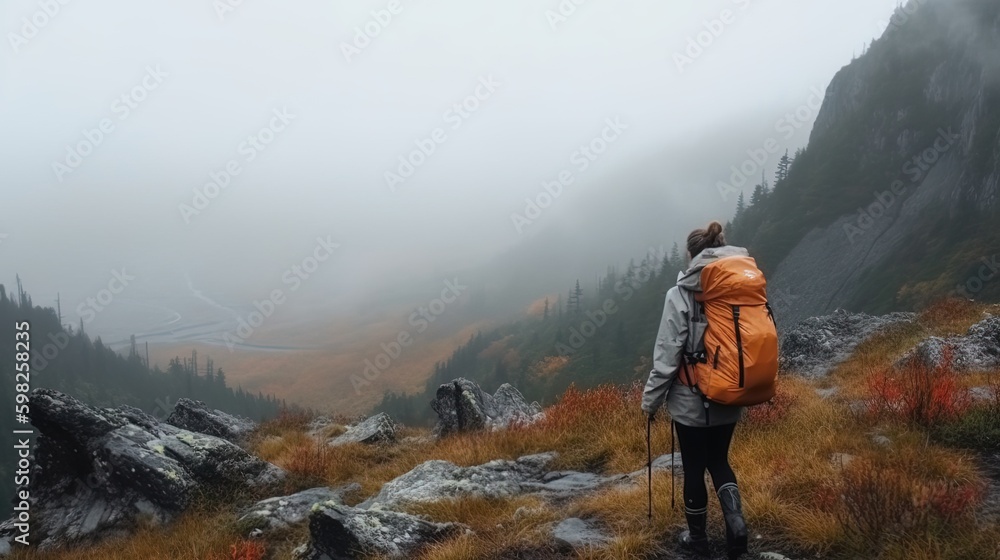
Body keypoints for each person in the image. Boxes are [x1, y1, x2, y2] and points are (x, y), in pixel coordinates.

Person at [641, 221, 749, 559]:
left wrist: (650, 402)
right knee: (720, 460)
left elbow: (667, 357)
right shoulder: (739, 287)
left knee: (694, 467)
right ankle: (736, 526)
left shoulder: (681, 294)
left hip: (690, 400)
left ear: (691, 255)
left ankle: (698, 541)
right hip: (731, 392)